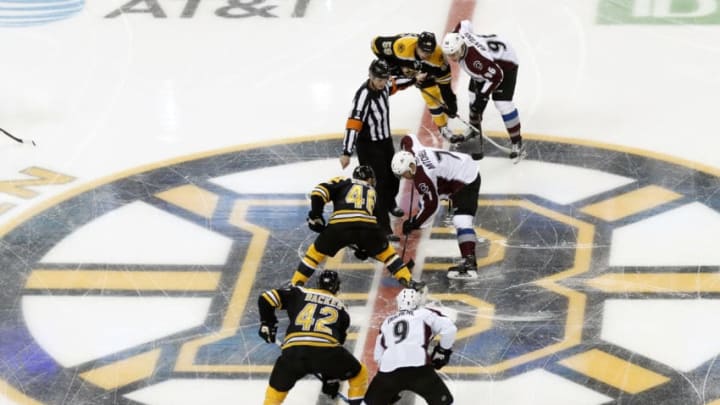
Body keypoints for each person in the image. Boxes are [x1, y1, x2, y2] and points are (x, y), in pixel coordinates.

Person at [291, 165, 425, 289]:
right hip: (367, 227)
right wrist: (366, 247)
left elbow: (318, 192)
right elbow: (376, 224)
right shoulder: (372, 191)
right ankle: (407, 279)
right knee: (387, 254)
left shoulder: (344, 181)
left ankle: (296, 283)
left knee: (314, 254)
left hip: (339, 226)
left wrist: (316, 215)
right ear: (369, 179)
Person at [258, 270, 366, 405]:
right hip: (325, 353)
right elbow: (335, 347)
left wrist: (267, 324)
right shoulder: (343, 310)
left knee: (275, 392)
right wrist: (330, 379)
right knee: (359, 374)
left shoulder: (299, 293)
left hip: (293, 353)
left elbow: (266, 298)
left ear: (317, 283)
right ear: (337, 287)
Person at [340, 58, 415, 241]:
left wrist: (414, 79)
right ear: (371, 76)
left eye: (384, 79)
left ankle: (390, 203)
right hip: (369, 146)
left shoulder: (385, 86)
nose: (383, 84)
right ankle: (383, 227)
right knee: (378, 185)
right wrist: (346, 152)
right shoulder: (363, 97)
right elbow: (353, 125)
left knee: (393, 174)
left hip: (384, 141)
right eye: (379, 80)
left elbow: (396, 84)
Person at [391, 138, 481, 279]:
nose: (403, 178)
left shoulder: (422, 178)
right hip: (461, 165)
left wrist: (415, 223)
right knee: (425, 202)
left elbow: (432, 206)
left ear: (410, 167)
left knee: (461, 220)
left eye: (403, 174)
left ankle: (470, 264)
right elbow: (408, 138)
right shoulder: (413, 152)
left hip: (466, 179)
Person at [440, 20, 525, 161]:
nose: (452, 58)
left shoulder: (475, 61)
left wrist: (483, 97)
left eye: (454, 54)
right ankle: (474, 129)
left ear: (461, 47)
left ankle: (517, 141)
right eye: (449, 54)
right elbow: (464, 24)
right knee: (473, 96)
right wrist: (478, 41)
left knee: (502, 104)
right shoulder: (458, 36)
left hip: (505, 65)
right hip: (489, 61)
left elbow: (497, 76)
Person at [364, 288, 457, 405]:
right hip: (419, 368)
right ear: (417, 302)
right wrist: (442, 351)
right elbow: (450, 329)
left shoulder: (386, 322)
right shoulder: (424, 313)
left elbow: (378, 356)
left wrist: (389, 389)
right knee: (445, 402)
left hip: (389, 372)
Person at [371, 31, 458, 139]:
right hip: (405, 64)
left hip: (425, 71)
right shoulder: (401, 46)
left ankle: (443, 128)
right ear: (417, 45)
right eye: (422, 51)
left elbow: (445, 86)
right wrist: (394, 67)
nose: (425, 55)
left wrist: (451, 103)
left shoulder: (438, 58)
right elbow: (374, 44)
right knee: (383, 86)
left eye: (429, 53)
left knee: (432, 95)